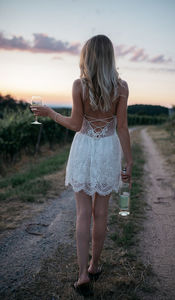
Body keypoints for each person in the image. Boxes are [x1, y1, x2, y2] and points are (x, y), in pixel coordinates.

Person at [30, 34, 133, 296]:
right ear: (110, 57)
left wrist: (51, 113)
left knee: (82, 214)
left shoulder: (79, 85)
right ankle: (95, 265)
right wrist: (128, 161)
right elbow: (122, 127)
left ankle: (82, 274)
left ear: (87, 57)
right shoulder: (121, 87)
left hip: (84, 148)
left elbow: (76, 125)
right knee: (101, 213)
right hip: (108, 149)